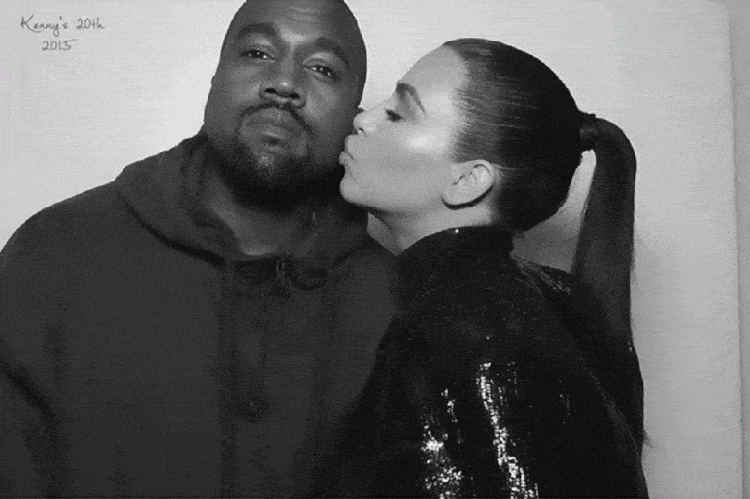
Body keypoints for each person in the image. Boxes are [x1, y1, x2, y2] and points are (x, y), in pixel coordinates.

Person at [0, 0, 396, 497]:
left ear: (356, 116)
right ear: (214, 80)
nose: (284, 83)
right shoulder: (55, 254)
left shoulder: (396, 304)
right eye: (257, 53)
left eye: (322, 69)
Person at [319, 39, 648, 497]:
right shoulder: (539, 302)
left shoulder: (465, 329)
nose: (363, 118)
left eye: (397, 114)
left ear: (468, 181)